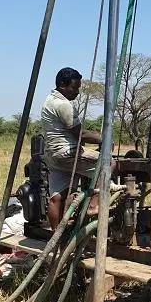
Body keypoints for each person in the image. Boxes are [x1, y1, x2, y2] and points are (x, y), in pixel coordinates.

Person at [41, 67, 114, 229]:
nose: (78, 92)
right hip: (68, 153)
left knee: (57, 197)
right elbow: (80, 134)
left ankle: (56, 238)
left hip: (53, 155)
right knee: (109, 163)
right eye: (75, 88)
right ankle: (93, 206)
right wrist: (103, 138)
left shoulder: (49, 100)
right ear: (62, 85)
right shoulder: (63, 105)